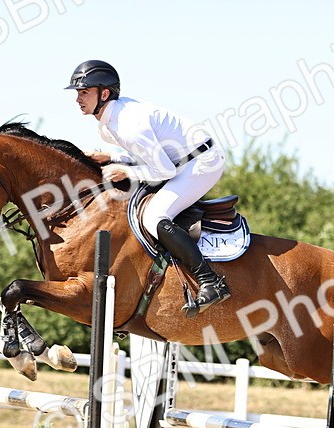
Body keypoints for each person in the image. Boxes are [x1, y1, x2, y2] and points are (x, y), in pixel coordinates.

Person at [65, 59, 231, 316]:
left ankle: (210, 281)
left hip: (201, 162)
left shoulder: (128, 124)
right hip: (181, 160)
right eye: (77, 92)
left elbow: (163, 170)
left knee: (155, 216)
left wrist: (126, 170)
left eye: (84, 91)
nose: (78, 98)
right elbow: (147, 157)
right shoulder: (110, 123)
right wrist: (111, 158)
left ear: (104, 93)